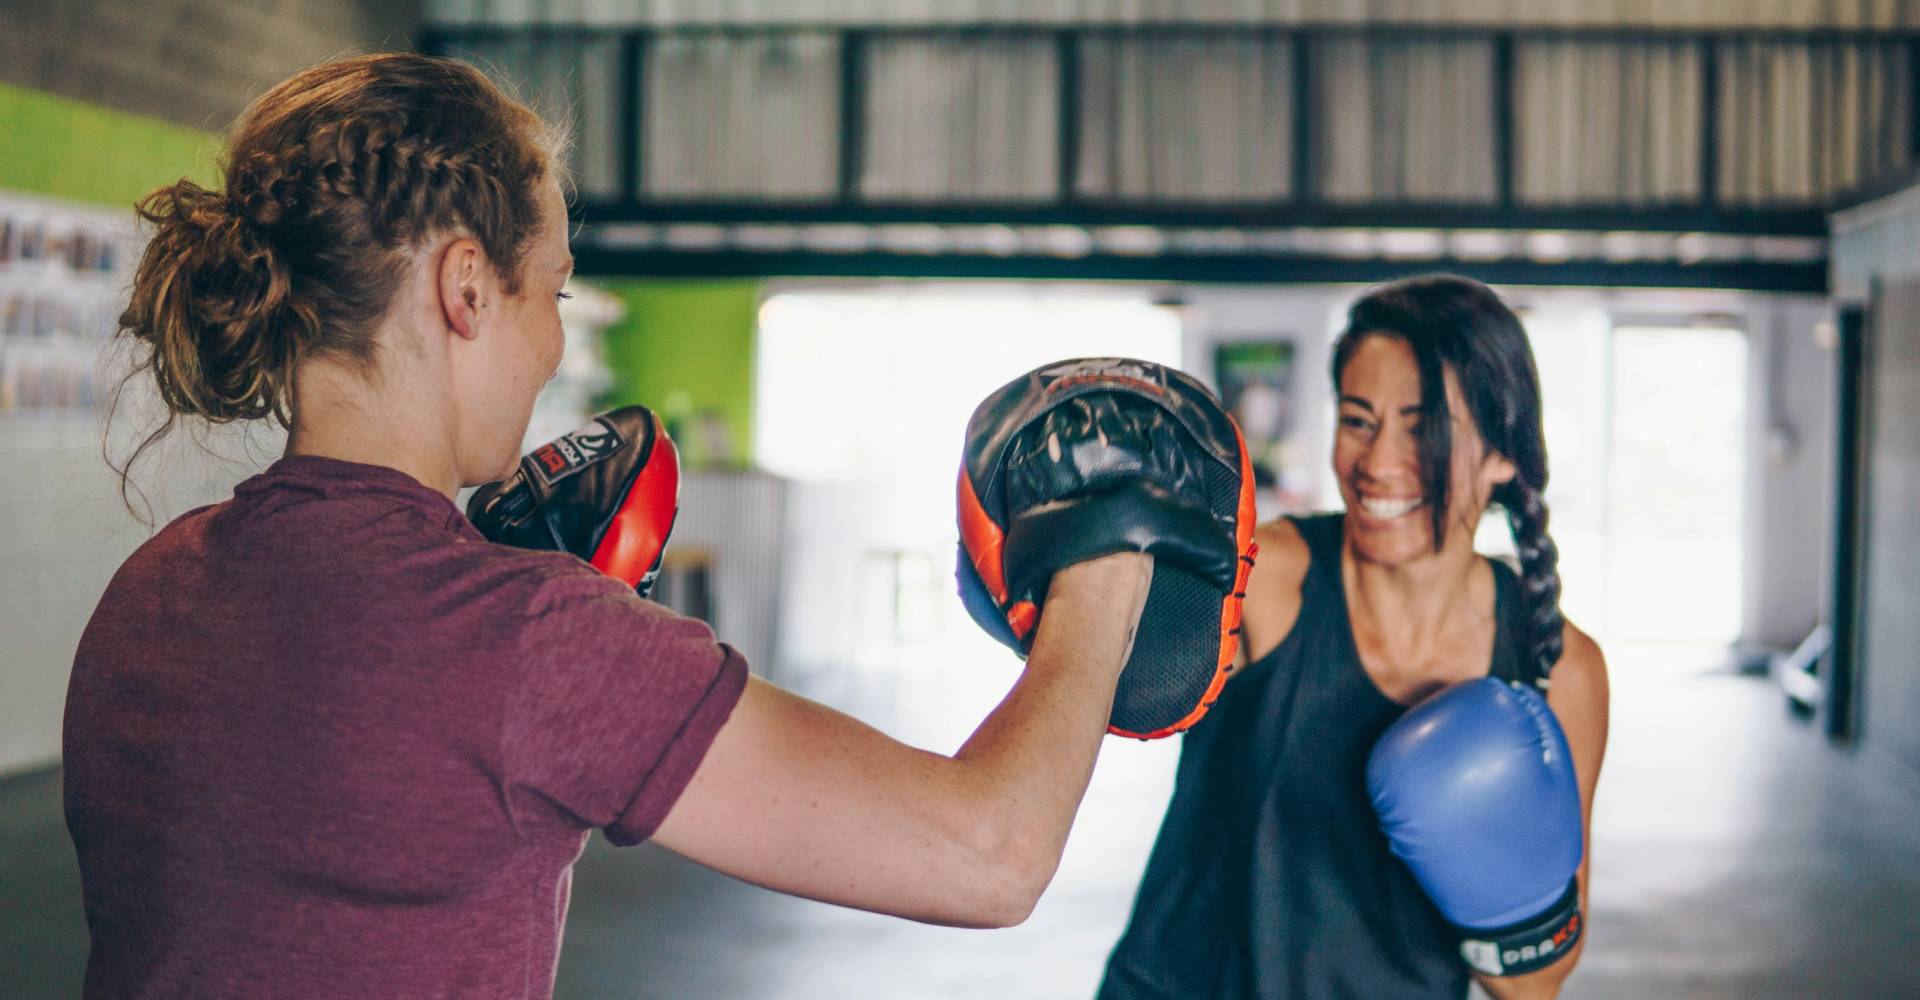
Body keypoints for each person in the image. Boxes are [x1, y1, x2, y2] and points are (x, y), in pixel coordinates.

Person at [62, 53, 1160, 999]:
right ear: (465, 291)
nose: (551, 342)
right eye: (555, 290)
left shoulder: (148, 588)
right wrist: (1107, 559)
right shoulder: (527, 634)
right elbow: (988, 855)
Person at [1098, 275, 1611, 1000]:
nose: (1377, 462)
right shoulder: (1264, 577)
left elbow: (1535, 984)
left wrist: (1495, 866)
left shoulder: (1559, 668)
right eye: (1359, 419)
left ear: (1503, 452)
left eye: (1423, 427)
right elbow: (1098, 666)